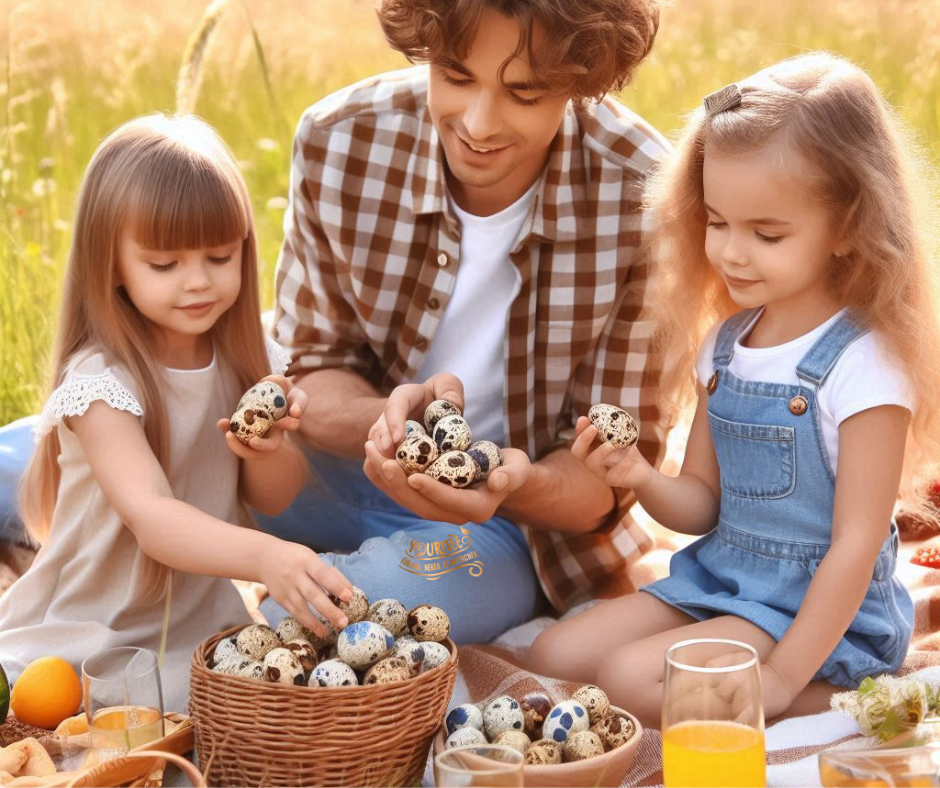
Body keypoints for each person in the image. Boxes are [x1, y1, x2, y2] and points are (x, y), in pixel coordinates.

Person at [528, 52, 940, 725]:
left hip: (817, 618)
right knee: (557, 650)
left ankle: (849, 698)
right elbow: (698, 506)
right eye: (718, 223)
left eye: (766, 233)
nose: (731, 253)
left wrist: (778, 677)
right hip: (724, 582)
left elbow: (856, 544)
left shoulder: (863, 364)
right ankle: (727, 674)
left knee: (631, 680)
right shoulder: (728, 346)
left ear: (847, 229)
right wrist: (637, 474)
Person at [261, 0, 671, 641]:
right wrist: (397, 423)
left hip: (507, 527)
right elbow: (309, 371)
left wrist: (507, 479)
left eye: (525, 92)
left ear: (579, 78)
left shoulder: (645, 197)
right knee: (81, 453)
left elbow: (608, 477)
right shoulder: (340, 139)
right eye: (455, 76)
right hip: (326, 468)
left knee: (349, 619)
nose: (479, 124)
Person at [0, 115, 352, 713]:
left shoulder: (248, 359)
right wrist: (265, 556)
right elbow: (153, 517)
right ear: (110, 265)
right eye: (164, 265)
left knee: (255, 705)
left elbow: (274, 497)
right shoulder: (101, 382)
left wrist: (264, 452)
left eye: (219, 256)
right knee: (82, 716)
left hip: (199, 624)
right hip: (91, 627)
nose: (197, 283)